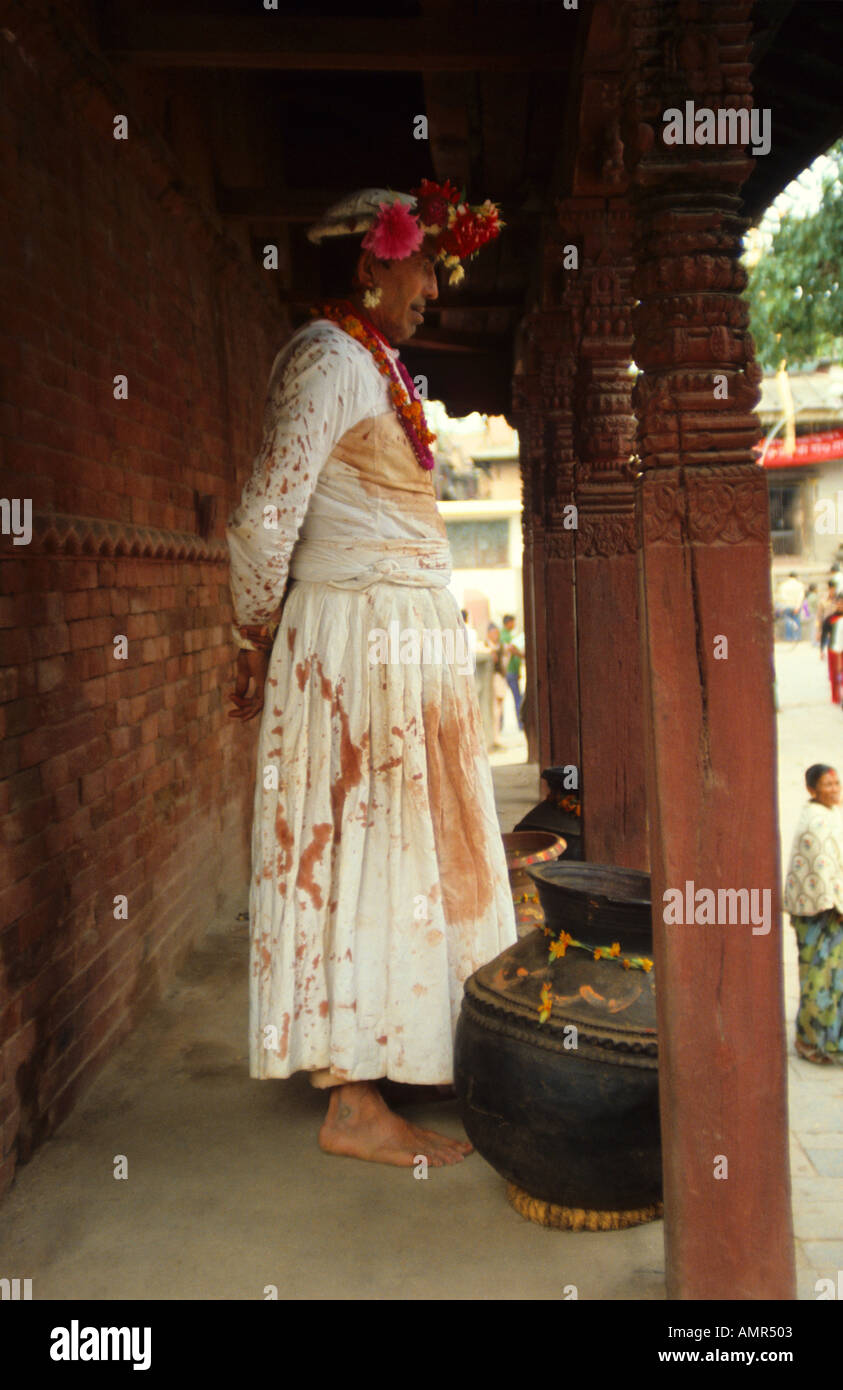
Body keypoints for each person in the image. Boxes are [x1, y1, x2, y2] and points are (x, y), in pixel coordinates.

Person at [225, 184, 514, 1167]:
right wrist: (251, 633)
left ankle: (385, 1063)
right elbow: (266, 517)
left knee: (401, 858)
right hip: (354, 645)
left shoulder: (369, 362)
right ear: (370, 263)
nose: (435, 286)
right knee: (361, 848)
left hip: (397, 641)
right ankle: (353, 1099)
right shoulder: (324, 359)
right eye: (423, 263)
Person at [783, 765, 843, 1064]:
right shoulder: (815, 822)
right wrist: (838, 907)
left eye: (836, 783)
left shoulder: (829, 814)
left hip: (830, 910)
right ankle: (808, 1042)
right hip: (820, 913)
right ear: (812, 790)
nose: (834, 789)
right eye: (827, 785)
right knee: (818, 979)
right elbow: (821, 873)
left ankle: (832, 1042)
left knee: (835, 980)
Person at [500, 613, 525, 730]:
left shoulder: (508, 634)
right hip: (509, 671)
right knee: (517, 698)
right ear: (508, 622)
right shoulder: (504, 635)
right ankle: (521, 724)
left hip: (513, 670)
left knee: (517, 697)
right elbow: (510, 648)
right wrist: (522, 655)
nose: (514, 624)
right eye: (513, 622)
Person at [820, 593, 843, 704]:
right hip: (833, 649)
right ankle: (835, 698)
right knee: (834, 674)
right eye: (839, 603)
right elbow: (824, 634)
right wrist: (822, 649)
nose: (840, 605)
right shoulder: (830, 619)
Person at [777, 571, 804, 641]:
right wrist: (798, 606)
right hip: (795, 606)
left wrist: (783, 606)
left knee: (788, 622)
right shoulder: (800, 585)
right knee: (796, 621)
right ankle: (796, 637)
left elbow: (781, 596)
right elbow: (800, 597)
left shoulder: (783, 585)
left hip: (786, 605)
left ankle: (789, 637)